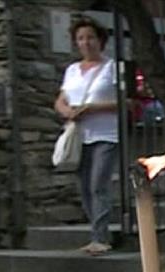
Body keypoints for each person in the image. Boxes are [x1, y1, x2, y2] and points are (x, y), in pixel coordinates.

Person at [54, 17, 119, 256]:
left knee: (98, 184)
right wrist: (67, 111)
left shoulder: (112, 68)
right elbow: (60, 99)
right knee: (84, 186)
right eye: (81, 38)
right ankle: (98, 231)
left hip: (105, 134)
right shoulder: (72, 70)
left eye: (90, 37)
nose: (86, 43)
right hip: (81, 135)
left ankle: (99, 237)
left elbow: (126, 102)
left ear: (100, 40)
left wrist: (93, 108)